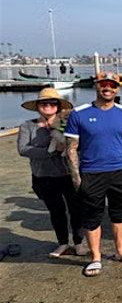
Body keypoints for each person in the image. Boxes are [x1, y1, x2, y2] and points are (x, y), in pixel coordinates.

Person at [64, 71, 122, 277]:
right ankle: (96, 257)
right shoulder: (79, 113)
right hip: (91, 173)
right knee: (92, 217)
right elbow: (71, 150)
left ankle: (121, 250)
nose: (108, 88)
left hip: (120, 171)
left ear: (118, 88)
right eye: (103, 84)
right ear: (96, 86)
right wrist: (77, 180)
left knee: (119, 213)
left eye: (112, 85)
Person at [17, 88, 85, 257]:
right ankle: (62, 243)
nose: (48, 106)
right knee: (56, 211)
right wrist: (50, 151)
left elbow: (81, 145)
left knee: (76, 210)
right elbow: (23, 149)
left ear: (58, 106)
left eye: (52, 103)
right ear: (38, 106)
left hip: (68, 174)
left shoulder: (69, 123)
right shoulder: (28, 126)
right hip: (43, 176)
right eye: (44, 103)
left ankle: (79, 243)